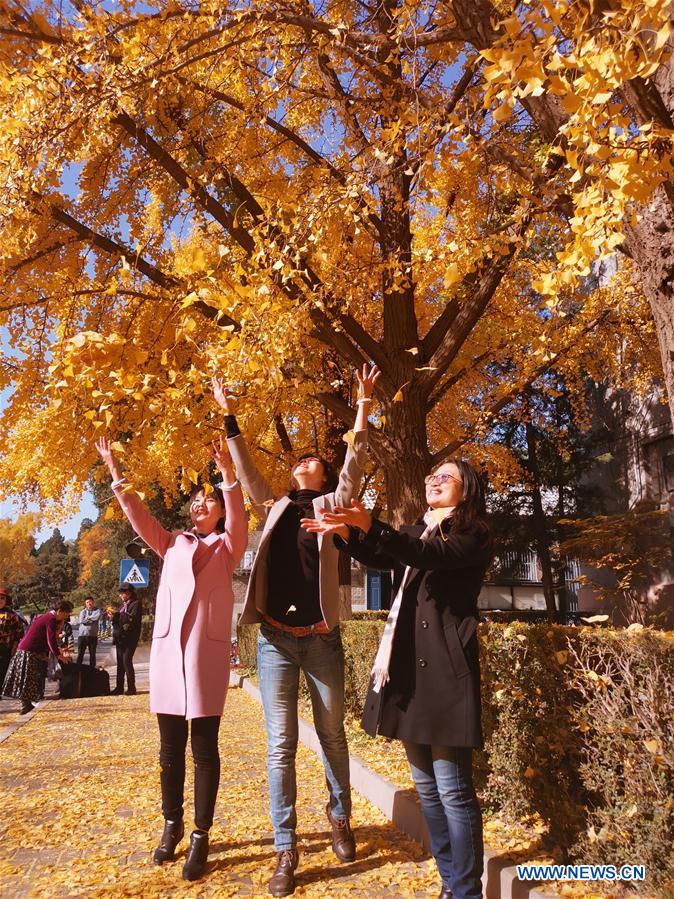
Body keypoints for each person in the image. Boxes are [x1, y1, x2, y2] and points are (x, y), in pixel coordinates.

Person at [214, 363, 379, 897]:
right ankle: (285, 848)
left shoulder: (335, 503)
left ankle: (339, 817)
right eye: (299, 460)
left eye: (313, 459)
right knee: (279, 743)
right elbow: (247, 469)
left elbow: (356, 464)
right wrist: (230, 414)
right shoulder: (276, 505)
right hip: (276, 641)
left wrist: (363, 406)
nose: (302, 462)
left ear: (325, 476)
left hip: (322, 637)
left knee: (332, 734)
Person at [301, 460, 491, 899]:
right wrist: (346, 533)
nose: (433, 482)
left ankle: (466, 892)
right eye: (430, 477)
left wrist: (372, 524)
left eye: (444, 477)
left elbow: (430, 557)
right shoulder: (417, 528)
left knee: (453, 790)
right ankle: (451, 883)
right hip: (407, 670)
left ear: (467, 489)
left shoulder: (474, 533)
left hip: (446, 673)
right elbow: (383, 555)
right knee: (427, 789)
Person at [95, 423, 247, 882]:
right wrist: (116, 473)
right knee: (168, 751)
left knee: (204, 750)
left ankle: (201, 834)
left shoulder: (228, 546)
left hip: (204, 657)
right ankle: (171, 824)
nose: (200, 504)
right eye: (197, 499)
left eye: (210, 500)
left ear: (219, 511)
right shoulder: (173, 543)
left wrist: (228, 478)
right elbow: (140, 518)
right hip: (166, 657)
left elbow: (239, 518)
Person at [2, 600, 74, 714]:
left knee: (31, 678)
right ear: (59, 611)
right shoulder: (50, 619)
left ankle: (26, 704)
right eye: (66, 614)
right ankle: (25, 705)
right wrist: (59, 656)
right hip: (28, 651)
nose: (66, 617)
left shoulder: (49, 617)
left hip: (32, 651)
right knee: (27, 677)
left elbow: (51, 640)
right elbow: (50, 641)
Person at [110, 586, 142, 695]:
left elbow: (131, 619)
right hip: (120, 638)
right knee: (120, 662)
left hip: (130, 638)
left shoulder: (136, 604)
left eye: (122, 593)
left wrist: (118, 615)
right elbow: (119, 620)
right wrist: (113, 616)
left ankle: (131, 687)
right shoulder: (122, 606)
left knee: (126, 661)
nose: (120, 596)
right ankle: (119, 687)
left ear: (128, 593)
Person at [0, 589, 24, 696]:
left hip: (6, 646)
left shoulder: (11, 614)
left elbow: (19, 630)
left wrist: (15, 645)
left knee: (3, 668)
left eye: (2, 598)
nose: (0, 600)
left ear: (6, 600)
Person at [76, 597, 101, 667]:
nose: (89, 603)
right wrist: (91, 619)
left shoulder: (97, 611)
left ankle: (92, 671)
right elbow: (81, 621)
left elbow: (97, 617)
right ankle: (78, 671)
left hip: (93, 636)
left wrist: (87, 618)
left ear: (93, 602)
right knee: (80, 654)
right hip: (82, 636)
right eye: (87, 602)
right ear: (85, 604)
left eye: (90, 602)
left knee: (92, 655)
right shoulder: (83, 611)